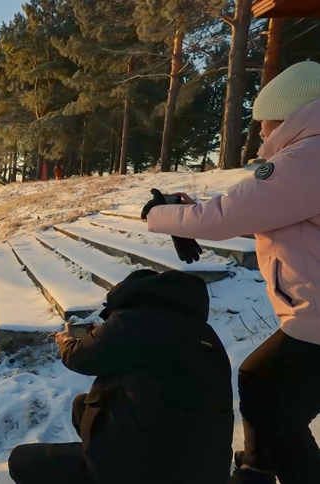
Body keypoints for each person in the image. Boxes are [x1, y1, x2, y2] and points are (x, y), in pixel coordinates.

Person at [142, 60, 320, 484]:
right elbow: (257, 205)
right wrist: (189, 211)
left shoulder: (310, 154)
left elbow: (226, 215)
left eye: (264, 121)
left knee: (266, 392)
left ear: (290, 113)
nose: (260, 131)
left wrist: (158, 214)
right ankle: (257, 469)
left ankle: (265, 470)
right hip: (311, 313)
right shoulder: (305, 156)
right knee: (267, 391)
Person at [8, 269, 234, 484]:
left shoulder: (133, 322)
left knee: (21, 460)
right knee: (82, 406)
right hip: (207, 470)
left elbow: (79, 357)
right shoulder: (206, 335)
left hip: (150, 473)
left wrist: (67, 341)